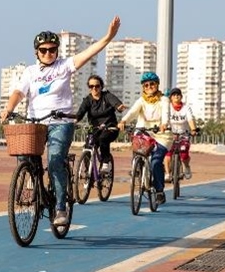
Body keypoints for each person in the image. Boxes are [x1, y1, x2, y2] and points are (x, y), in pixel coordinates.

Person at [0, 16, 121, 226]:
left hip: (61, 122)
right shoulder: (30, 72)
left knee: (55, 161)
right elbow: (19, 92)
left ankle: (60, 208)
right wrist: (8, 109)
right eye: (44, 50)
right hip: (36, 122)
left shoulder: (64, 65)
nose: (48, 53)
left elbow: (90, 51)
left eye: (52, 49)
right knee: (24, 156)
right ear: (36, 52)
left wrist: (108, 36)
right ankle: (30, 184)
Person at [117, 71, 172, 204]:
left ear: (157, 85)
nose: (149, 87)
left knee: (156, 161)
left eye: (152, 84)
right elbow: (132, 112)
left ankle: (159, 190)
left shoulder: (164, 99)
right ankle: (138, 169)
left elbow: (166, 112)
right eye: (146, 85)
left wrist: (164, 124)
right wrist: (123, 121)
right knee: (137, 151)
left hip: (161, 135)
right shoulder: (141, 100)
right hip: (144, 132)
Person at [75, 74, 126, 173]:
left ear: (101, 87)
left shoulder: (107, 96)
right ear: (89, 88)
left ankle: (106, 162)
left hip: (110, 128)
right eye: (91, 86)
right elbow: (80, 113)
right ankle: (88, 173)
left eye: (97, 86)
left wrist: (119, 106)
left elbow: (116, 103)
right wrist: (74, 121)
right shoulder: (87, 100)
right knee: (87, 148)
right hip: (95, 130)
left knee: (103, 139)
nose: (94, 88)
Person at [163, 87, 198, 180]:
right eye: (174, 95)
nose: (176, 97)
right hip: (170, 133)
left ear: (181, 97)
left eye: (178, 95)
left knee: (184, 154)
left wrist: (193, 129)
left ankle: (186, 167)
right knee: (168, 153)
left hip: (184, 134)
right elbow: (164, 118)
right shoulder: (167, 108)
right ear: (170, 98)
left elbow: (190, 119)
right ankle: (167, 173)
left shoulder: (186, 108)